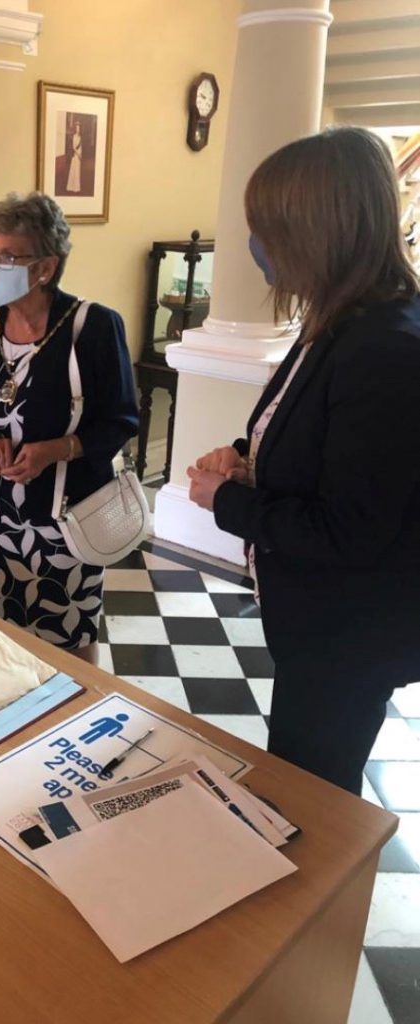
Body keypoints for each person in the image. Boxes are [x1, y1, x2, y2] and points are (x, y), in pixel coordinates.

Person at [186, 127, 420, 795]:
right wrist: (241, 457)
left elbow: (347, 530)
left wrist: (222, 500)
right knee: (297, 766)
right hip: (316, 621)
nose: (254, 247)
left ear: (310, 232)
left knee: (314, 793)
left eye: (263, 229)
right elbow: (318, 438)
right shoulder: (338, 320)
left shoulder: (387, 351)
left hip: (347, 632)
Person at [0, 192, 138, 665]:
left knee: (69, 630)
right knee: (10, 622)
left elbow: (121, 420)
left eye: (9, 257)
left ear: (45, 267)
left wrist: (54, 450)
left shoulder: (94, 327)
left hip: (68, 515)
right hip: (3, 514)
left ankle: (77, 715)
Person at [66, 122, 83, 193]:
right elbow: (73, 147)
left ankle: (76, 187)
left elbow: (81, 147)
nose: (77, 129)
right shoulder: (74, 136)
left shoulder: (80, 137)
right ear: (75, 129)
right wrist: (78, 154)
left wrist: (81, 154)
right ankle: (71, 187)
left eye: (79, 128)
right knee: (73, 170)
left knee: (77, 171)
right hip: (75, 155)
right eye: (76, 128)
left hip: (79, 155)